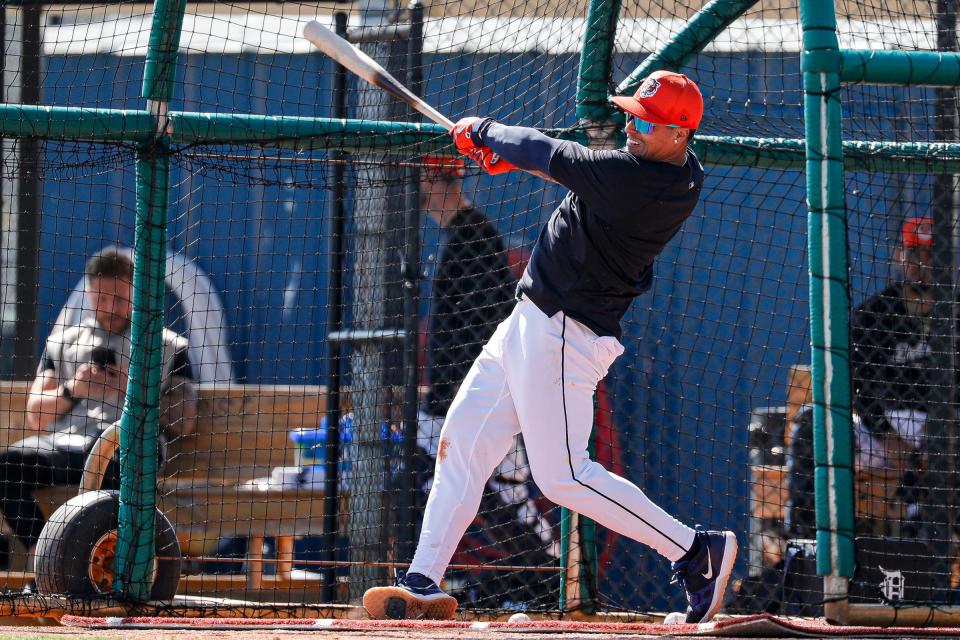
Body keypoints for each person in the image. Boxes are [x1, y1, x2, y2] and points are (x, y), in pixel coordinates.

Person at [363, 70, 737, 623]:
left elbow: (550, 153)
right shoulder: (676, 169)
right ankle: (423, 578)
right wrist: (498, 150)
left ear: (679, 135)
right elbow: (562, 168)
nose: (632, 126)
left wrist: (483, 130)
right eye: (632, 114)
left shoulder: (641, 181)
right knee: (462, 440)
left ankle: (692, 549)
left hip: (565, 334)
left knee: (562, 476)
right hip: (530, 320)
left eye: (646, 121)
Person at [417, 156, 559, 608]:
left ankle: (548, 582)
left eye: (423, 186)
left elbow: (479, 330)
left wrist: (459, 394)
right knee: (449, 482)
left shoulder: (474, 237)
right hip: (460, 397)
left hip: (484, 398)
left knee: (508, 493)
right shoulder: (458, 236)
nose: (419, 200)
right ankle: (436, 577)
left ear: (439, 181)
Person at [0, 247, 197, 567]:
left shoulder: (167, 347)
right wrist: (73, 389)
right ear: (89, 293)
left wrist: (130, 391)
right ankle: (46, 560)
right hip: (68, 446)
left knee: (123, 466)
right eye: (101, 298)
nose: (109, 308)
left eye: (119, 298)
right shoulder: (62, 342)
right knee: (7, 466)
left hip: (128, 448)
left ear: (136, 292)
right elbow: (36, 414)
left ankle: (96, 564)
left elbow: (185, 421)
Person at [850, 216, 940, 474]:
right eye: (913, 252)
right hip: (884, 427)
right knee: (809, 422)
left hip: (942, 425)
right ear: (899, 255)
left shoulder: (955, 311)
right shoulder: (873, 314)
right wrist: (887, 436)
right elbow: (858, 384)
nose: (922, 262)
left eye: (931, 253)